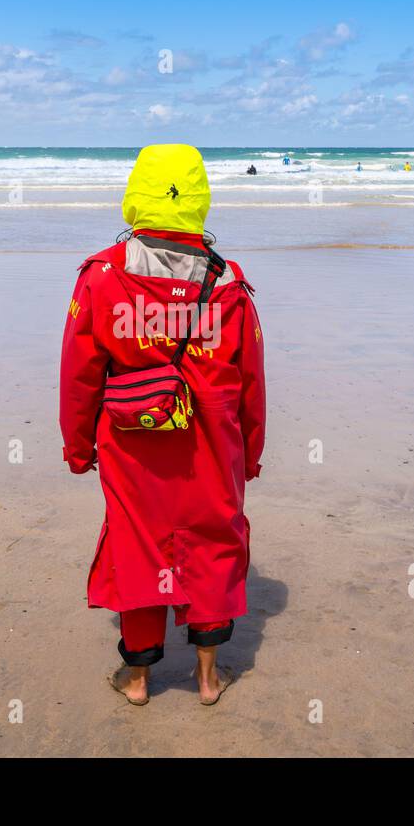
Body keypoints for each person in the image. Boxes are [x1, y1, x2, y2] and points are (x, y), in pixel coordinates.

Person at [60, 144, 266, 707]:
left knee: (137, 544)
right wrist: (249, 453)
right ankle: (206, 676)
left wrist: (78, 448)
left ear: (136, 194)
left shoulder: (102, 276)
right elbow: (251, 378)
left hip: (132, 441)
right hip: (213, 442)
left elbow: (79, 374)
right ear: (199, 198)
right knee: (213, 540)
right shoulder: (229, 283)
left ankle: (139, 679)